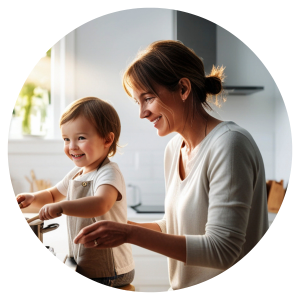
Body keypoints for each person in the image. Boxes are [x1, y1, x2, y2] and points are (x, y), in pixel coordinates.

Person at [73, 41, 269, 290]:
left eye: (148, 98)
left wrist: (128, 234)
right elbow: (174, 226)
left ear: (183, 88)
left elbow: (222, 250)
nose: (142, 113)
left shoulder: (229, 144)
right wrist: (119, 225)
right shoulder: (174, 149)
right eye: (138, 102)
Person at [17, 97, 135, 287]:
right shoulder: (77, 172)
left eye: (80, 138)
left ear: (107, 139)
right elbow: (53, 195)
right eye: (66, 139)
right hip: (89, 262)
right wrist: (33, 198)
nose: (72, 146)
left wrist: (61, 207)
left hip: (111, 269)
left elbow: (101, 203)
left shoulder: (109, 172)